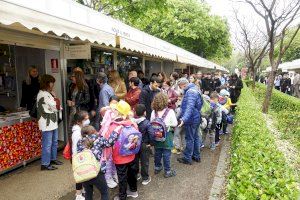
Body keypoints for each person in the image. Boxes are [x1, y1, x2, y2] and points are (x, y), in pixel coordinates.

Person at [77, 125, 121, 200]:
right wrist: (116, 131)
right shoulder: (99, 139)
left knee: (88, 192)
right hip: (97, 171)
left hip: (84, 171)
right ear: (93, 131)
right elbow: (109, 143)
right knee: (104, 192)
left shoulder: (80, 142)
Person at [111, 101, 139, 200]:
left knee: (122, 176)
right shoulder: (133, 123)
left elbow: (108, 139)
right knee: (132, 173)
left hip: (119, 156)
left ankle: (122, 196)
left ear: (118, 112)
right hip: (131, 153)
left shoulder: (114, 125)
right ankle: (133, 190)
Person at [37, 74, 63, 170]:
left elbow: (55, 106)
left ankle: (52, 159)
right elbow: (56, 106)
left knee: (54, 142)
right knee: (47, 143)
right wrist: (56, 98)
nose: (53, 84)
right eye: (51, 82)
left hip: (52, 121)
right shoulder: (43, 94)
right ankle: (45, 163)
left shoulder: (47, 93)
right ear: (47, 83)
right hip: (47, 122)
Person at [151, 92, 178, 177]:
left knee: (157, 152)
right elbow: (174, 123)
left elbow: (151, 122)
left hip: (156, 135)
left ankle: (157, 167)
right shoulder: (170, 111)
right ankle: (167, 171)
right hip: (167, 135)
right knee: (166, 153)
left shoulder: (153, 112)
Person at [177, 78, 202, 165]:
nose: (180, 89)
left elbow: (189, 107)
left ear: (183, 85)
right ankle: (196, 156)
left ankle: (187, 158)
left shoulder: (190, 92)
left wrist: (184, 119)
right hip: (196, 117)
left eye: (180, 87)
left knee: (189, 139)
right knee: (195, 137)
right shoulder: (195, 89)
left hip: (191, 119)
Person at [71, 111, 90, 200]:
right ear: (79, 122)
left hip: (81, 156)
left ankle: (82, 191)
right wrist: (78, 158)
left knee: (83, 174)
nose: (88, 121)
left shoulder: (81, 129)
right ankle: (78, 195)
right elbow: (75, 148)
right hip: (78, 157)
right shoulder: (77, 133)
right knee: (80, 175)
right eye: (85, 119)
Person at [134, 104, 154, 185]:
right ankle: (145, 178)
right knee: (144, 162)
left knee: (135, 161)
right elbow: (151, 134)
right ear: (145, 113)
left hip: (135, 144)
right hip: (144, 144)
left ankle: (136, 175)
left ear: (135, 113)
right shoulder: (147, 123)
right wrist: (151, 143)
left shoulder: (133, 122)